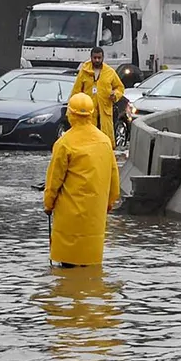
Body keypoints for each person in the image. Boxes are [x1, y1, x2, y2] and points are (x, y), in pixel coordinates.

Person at [44, 93, 120, 268]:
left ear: (70, 114)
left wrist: (48, 204)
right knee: (90, 266)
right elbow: (114, 178)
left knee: (68, 268)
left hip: (69, 218)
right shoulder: (104, 141)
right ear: (91, 114)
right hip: (95, 216)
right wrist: (109, 203)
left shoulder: (64, 143)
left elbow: (54, 181)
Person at [70, 46, 125, 149]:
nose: (97, 60)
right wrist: (71, 111)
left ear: (103, 58)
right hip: (88, 113)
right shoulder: (84, 71)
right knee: (89, 142)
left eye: (99, 58)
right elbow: (76, 91)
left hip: (105, 112)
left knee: (105, 142)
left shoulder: (110, 72)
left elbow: (120, 87)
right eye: (95, 58)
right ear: (91, 57)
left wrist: (115, 95)